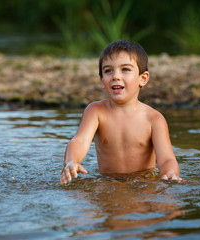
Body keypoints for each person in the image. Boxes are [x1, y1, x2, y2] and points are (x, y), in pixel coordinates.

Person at [60, 40, 182, 185]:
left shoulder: (153, 119)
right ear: (102, 81)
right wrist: (71, 161)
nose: (115, 76)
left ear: (142, 79)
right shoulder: (96, 111)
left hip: (143, 183)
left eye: (125, 69)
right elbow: (79, 141)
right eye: (108, 70)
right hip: (107, 183)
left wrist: (170, 174)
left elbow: (167, 158)